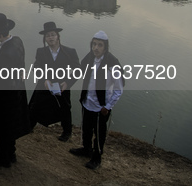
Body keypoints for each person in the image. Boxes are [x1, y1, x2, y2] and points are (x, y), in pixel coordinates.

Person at [0, 13, 31, 168]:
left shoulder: (5, 55)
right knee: (10, 126)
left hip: (6, 97)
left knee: (1, 127)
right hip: (17, 92)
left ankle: (3, 158)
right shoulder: (17, 41)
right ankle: (11, 153)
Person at [70, 31, 123, 170]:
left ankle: (96, 158)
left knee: (99, 134)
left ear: (105, 47)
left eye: (100, 45)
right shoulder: (90, 57)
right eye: (94, 44)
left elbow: (119, 89)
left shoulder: (112, 63)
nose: (96, 48)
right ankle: (86, 150)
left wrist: (108, 106)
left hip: (101, 107)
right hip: (87, 102)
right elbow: (79, 71)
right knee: (86, 129)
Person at [29, 22, 80, 142]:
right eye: (48, 36)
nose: (50, 37)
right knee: (34, 106)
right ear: (45, 39)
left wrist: (67, 82)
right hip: (45, 84)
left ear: (58, 36)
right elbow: (36, 67)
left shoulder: (70, 52)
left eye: (52, 35)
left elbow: (78, 71)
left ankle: (67, 132)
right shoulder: (41, 51)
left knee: (65, 108)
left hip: (62, 86)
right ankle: (29, 126)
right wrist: (44, 80)